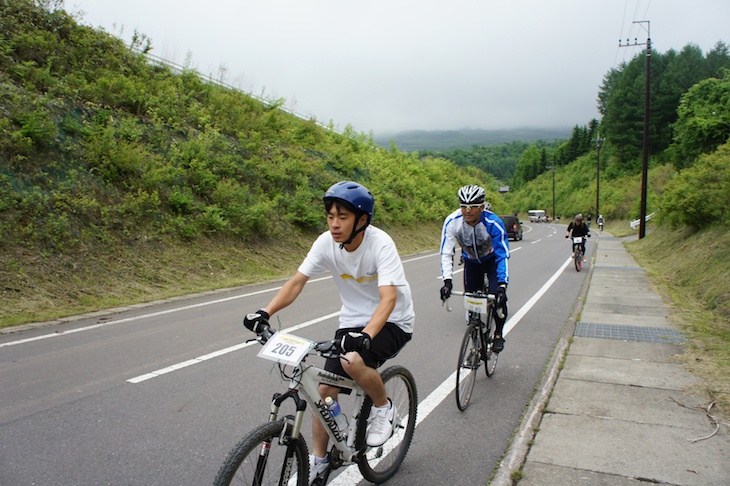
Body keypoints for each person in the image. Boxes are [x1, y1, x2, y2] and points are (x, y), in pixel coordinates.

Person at [243, 181, 414, 485]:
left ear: (362, 220)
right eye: (330, 216)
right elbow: (297, 282)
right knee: (322, 392)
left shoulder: (380, 244)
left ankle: (383, 407)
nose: (334, 224)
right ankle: (320, 462)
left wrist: (367, 336)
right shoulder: (325, 243)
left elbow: (388, 298)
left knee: (352, 360)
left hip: (392, 321)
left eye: (343, 217)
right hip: (352, 321)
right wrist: (265, 313)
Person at [439, 185, 510, 352]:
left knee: (499, 299)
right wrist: (447, 281)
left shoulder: (493, 223)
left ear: (483, 207)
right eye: (463, 206)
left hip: (491, 261)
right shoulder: (452, 222)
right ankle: (476, 346)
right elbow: (446, 252)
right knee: (471, 305)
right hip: (471, 263)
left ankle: (498, 334)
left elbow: (503, 256)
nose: (467, 211)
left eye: (473, 206)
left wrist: (502, 285)